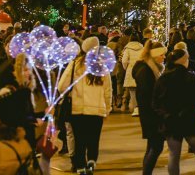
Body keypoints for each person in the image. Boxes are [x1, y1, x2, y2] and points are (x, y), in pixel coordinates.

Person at [152, 49, 195, 175]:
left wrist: (166, 115)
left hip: (171, 122)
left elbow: (155, 102)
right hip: (190, 120)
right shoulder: (191, 77)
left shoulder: (163, 78)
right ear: (183, 61)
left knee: (174, 156)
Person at [58, 37, 113, 174]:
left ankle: (80, 167)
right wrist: (108, 107)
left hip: (79, 109)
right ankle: (91, 162)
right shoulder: (103, 66)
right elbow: (108, 91)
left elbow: (61, 86)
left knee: (80, 141)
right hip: (97, 110)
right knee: (94, 140)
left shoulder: (75, 64)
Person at [132, 40, 167, 175]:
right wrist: (158, 111)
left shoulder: (151, 68)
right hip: (151, 115)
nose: (164, 57)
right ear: (154, 55)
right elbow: (146, 96)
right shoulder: (146, 71)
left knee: (152, 146)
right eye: (162, 55)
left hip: (152, 113)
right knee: (156, 146)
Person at [120, 32, 143, 115]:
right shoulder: (142, 48)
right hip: (140, 70)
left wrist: (127, 68)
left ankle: (133, 108)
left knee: (132, 92)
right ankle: (139, 108)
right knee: (140, 91)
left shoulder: (127, 49)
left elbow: (124, 61)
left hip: (131, 70)